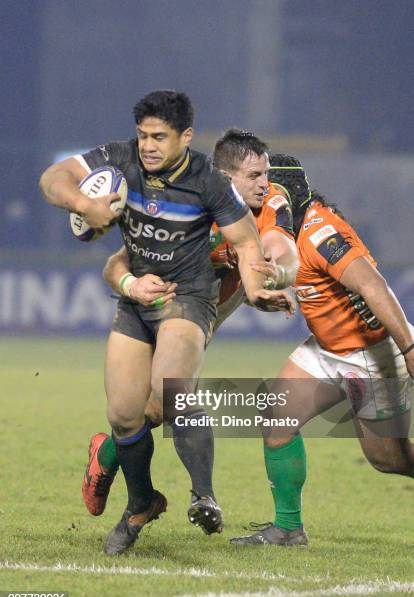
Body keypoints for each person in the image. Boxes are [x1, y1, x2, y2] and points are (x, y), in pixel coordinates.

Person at [39, 91, 291, 555]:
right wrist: (82, 203)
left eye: (159, 136)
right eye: (143, 135)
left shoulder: (208, 182)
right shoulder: (120, 159)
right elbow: (54, 176)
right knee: (124, 414)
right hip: (136, 303)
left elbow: (249, 243)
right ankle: (142, 503)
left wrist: (256, 289)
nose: (149, 145)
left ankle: (204, 496)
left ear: (186, 137)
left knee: (172, 389)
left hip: (188, 299)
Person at [86, 129, 299, 520]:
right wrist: (132, 285)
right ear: (222, 178)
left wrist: (276, 276)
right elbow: (116, 264)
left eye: (265, 174)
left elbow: (283, 250)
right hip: (159, 310)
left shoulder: (272, 201)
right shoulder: (185, 202)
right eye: (254, 176)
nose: (265, 184)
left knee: (160, 404)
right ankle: (170, 487)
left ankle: (108, 455)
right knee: (159, 401)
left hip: (203, 315)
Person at [229, 154, 414, 546]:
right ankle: (288, 528)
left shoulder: (318, 230)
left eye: (269, 190)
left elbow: (374, 286)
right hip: (327, 351)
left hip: (371, 354)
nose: (263, 199)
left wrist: (409, 348)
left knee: (388, 459)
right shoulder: (273, 227)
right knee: (277, 415)